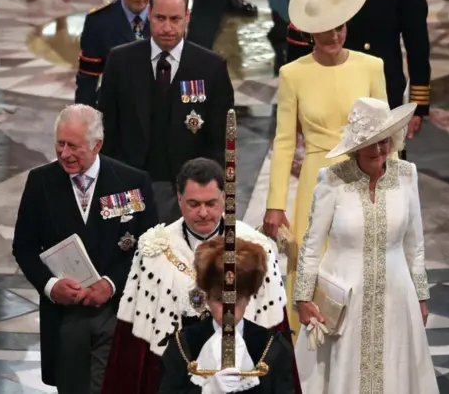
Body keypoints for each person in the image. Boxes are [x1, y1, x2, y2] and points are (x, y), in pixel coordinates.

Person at [262, 0, 387, 341]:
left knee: (363, 265)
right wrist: (275, 203)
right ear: (309, 30)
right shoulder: (293, 74)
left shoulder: (372, 67)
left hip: (365, 177)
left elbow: (388, 136)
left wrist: (391, 186)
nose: (334, 35)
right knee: (309, 272)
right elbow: (285, 142)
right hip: (316, 183)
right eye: (325, 28)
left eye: (340, 26)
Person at [100, 157, 300, 394]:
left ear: (224, 199)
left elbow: (274, 333)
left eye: (211, 203)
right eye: (193, 204)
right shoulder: (154, 249)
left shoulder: (255, 248)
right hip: (173, 373)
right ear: (179, 199)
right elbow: (133, 349)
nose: (203, 213)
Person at [293, 97, 439, 393]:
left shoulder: (407, 176)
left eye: (384, 141)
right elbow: (311, 244)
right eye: (371, 142)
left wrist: (421, 296)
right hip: (344, 298)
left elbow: (415, 242)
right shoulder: (332, 180)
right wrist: (303, 298)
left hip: (397, 295)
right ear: (356, 144)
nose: (379, 150)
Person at [12, 104, 158, 394]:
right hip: (64, 317)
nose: (65, 153)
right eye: (60, 143)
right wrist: (52, 286)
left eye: (74, 146)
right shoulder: (41, 183)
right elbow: (24, 247)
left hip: (117, 312)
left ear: (97, 145)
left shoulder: (131, 182)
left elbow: (148, 246)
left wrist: (111, 283)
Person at [98, 0, 234, 224]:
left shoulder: (212, 68)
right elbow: (106, 133)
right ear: (148, 14)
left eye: (175, 19)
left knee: (182, 257)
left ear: (187, 17)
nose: (167, 28)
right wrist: (109, 188)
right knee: (123, 253)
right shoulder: (120, 61)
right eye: (160, 18)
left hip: (187, 194)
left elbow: (218, 143)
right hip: (126, 187)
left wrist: (207, 196)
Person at [287, 0, 431, 139]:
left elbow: (417, 43)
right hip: (328, 96)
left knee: (383, 163)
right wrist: (297, 102)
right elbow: (301, 40)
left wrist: (417, 105)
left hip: (381, 94)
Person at [159, 237, 295, 393]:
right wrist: (209, 390)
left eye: (235, 301)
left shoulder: (271, 346)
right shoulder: (184, 345)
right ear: (207, 298)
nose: (228, 312)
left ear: (248, 298)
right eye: (219, 300)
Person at [75, 0, 159, 108]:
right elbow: (87, 79)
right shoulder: (99, 23)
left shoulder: (166, 18)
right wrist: (84, 121)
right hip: (114, 112)